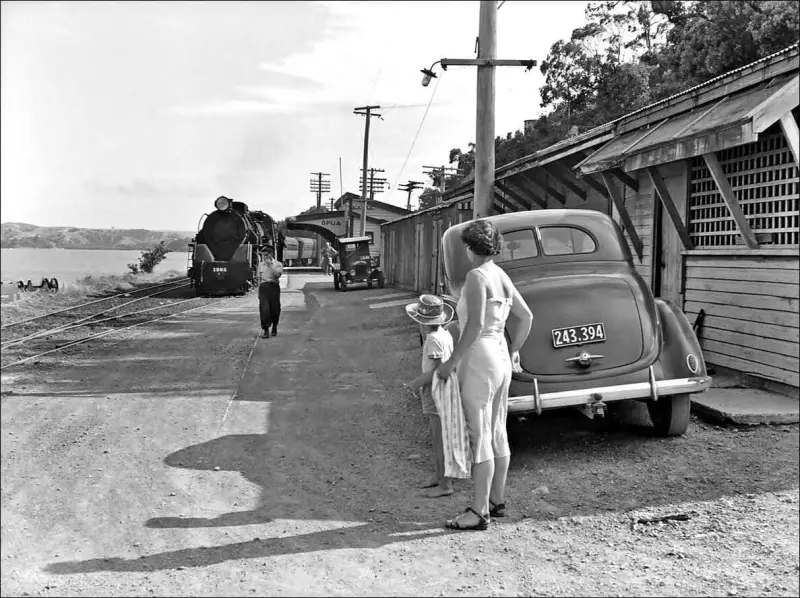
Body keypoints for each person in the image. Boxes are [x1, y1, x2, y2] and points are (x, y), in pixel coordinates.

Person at [437, 219, 533, 531]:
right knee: (497, 430)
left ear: (469, 247)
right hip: (501, 355)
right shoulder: (501, 275)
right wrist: (515, 349)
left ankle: (478, 512)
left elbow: (474, 326)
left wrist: (452, 361)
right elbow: (526, 316)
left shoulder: (476, 277)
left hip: (480, 356)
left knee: (479, 435)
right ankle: (496, 500)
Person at [403, 294, 456, 498]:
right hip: (444, 387)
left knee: (439, 437)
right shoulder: (445, 334)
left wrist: (415, 384)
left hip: (436, 389)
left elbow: (438, 369)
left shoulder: (433, 340)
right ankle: (439, 475)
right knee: (438, 436)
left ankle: (445, 483)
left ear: (422, 323)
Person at [256, 249, 283, 338]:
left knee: (275, 309)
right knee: (264, 309)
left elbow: (277, 275)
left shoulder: (278, 264)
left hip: (274, 287)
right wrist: (258, 291)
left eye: (266, 255)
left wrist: (270, 266)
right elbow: (259, 278)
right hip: (264, 287)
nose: (265, 257)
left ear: (271, 255)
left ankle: (274, 326)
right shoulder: (260, 265)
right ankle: (266, 330)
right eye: (263, 256)